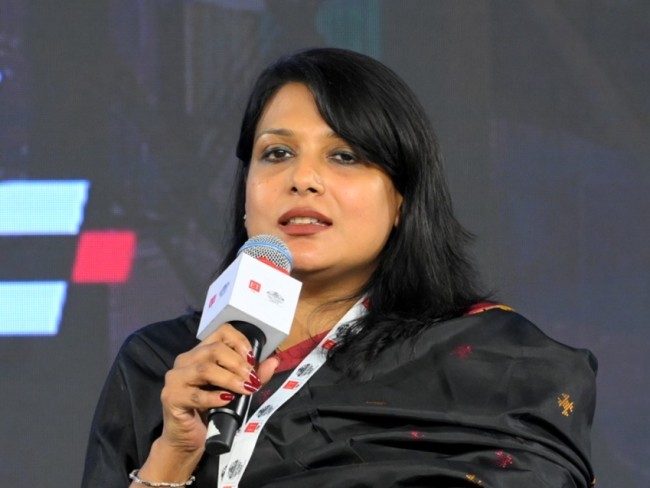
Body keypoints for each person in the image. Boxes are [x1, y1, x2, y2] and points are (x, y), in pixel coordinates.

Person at [82, 47, 597, 487]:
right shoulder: (162, 364)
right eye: (276, 152)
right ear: (245, 195)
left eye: (345, 156)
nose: (302, 178)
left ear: (401, 200)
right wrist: (174, 452)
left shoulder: (497, 363)